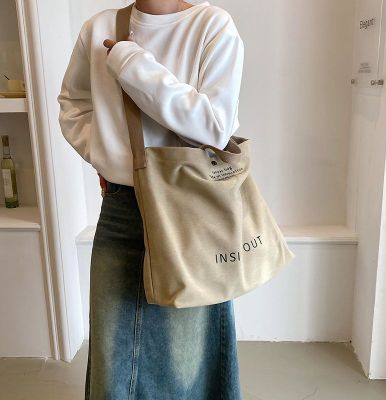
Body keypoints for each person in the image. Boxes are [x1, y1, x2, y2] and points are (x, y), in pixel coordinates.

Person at [57, 0, 245, 398]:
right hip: (121, 208)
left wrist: (131, 62)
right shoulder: (98, 28)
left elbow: (214, 127)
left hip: (188, 210)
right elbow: (74, 105)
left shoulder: (212, 25)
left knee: (187, 363)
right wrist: (106, 154)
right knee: (112, 357)